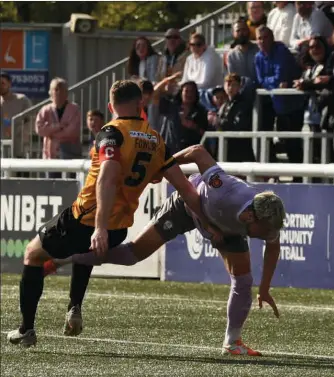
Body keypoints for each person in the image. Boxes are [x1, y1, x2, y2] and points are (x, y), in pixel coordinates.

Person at [7, 80, 210, 347]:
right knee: (84, 252)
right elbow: (183, 186)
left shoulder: (111, 133)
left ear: (110, 106)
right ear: (141, 105)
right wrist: (209, 223)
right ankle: (74, 306)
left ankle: (26, 330)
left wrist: (99, 227)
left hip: (88, 217)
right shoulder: (155, 139)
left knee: (33, 254)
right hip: (120, 227)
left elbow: (107, 178)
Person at [45, 144, 286, 356]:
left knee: (244, 280)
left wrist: (264, 289)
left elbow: (273, 247)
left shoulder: (266, 220)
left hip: (223, 228)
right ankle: (65, 258)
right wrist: (165, 165)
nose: (265, 237)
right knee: (132, 254)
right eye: (262, 232)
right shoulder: (223, 191)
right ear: (250, 216)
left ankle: (232, 343)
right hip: (189, 205)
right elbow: (199, 152)